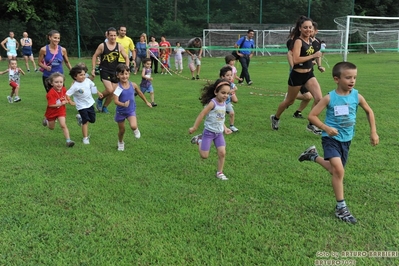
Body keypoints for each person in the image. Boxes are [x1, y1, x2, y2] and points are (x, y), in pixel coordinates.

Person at [298, 62, 379, 224]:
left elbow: (369, 111)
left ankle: (312, 156)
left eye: (354, 77)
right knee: (339, 171)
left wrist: (373, 131)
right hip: (331, 140)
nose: (352, 81)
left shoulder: (356, 96)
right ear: (337, 79)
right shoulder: (329, 98)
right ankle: (341, 208)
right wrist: (325, 128)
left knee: (334, 170)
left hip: (346, 140)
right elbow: (312, 116)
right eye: (348, 77)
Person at [270, 16, 323, 134]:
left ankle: (312, 124)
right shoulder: (298, 41)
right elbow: (296, 59)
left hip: (309, 74)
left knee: (319, 99)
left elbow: (316, 54)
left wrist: (318, 64)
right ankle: (275, 117)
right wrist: (313, 56)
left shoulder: (312, 41)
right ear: (300, 28)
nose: (308, 29)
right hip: (297, 76)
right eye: (305, 27)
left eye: (310, 27)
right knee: (289, 101)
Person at [189, 78, 233, 180]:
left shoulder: (224, 104)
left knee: (222, 152)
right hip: (209, 132)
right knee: (204, 156)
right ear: (216, 92)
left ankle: (220, 172)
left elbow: (220, 118)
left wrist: (225, 128)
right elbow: (202, 114)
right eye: (223, 93)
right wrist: (195, 127)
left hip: (219, 134)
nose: (225, 95)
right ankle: (199, 140)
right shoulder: (212, 103)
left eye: (227, 93)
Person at [113, 64, 152, 151]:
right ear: (118, 75)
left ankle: (136, 130)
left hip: (130, 110)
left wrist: (147, 102)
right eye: (122, 74)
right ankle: (120, 142)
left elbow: (140, 93)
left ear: (129, 74)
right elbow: (115, 101)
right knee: (122, 130)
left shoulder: (133, 85)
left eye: (126, 73)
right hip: (121, 112)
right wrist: (123, 104)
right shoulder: (118, 87)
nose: (124, 76)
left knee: (133, 126)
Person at [91, 27, 129, 114]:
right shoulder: (102, 46)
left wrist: (127, 68)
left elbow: (126, 57)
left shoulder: (119, 46)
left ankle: (104, 107)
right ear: (107, 35)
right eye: (111, 35)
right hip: (104, 69)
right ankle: (100, 98)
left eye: (115, 35)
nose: (113, 37)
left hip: (115, 71)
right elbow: (94, 56)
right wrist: (93, 68)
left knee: (114, 92)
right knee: (110, 90)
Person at [67, 65, 103, 144]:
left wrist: (98, 92)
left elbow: (93, 86)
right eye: (80, 75)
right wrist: (70, 101)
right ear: (75, 77)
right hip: (81, 106)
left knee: (92, 120)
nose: (83, 76)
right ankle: (85, 138)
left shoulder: (87, 80)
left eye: (84, 74)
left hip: (90, 103)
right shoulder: (75, 86)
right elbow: (67, 94)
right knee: (85, 121)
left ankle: (80, 118)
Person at [42, 72, 75, 147]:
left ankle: (68, 141)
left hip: (61, 111)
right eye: (56, 82)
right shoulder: (50, 93)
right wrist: (61, 104)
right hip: (51, 112)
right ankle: (46, 121)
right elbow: (51, 105)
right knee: (51, 128)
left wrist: (69, 101)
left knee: (63, 125)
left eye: (61, 82)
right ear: (51, 83)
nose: (59, 84)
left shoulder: (63, 89)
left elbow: (66, 96)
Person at [219, 66, 239, 132]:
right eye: (227, 75)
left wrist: (233, 91)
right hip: (220, 103)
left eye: (231, 75)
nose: (230, 77)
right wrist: (232, 91)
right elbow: (225, 92)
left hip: (227, 103)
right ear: (222, 77)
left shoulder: (231, 84)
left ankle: (232, 126)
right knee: (221, 115)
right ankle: (221, 126)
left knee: (232, 113)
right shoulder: (221, 85)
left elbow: (235, 88)